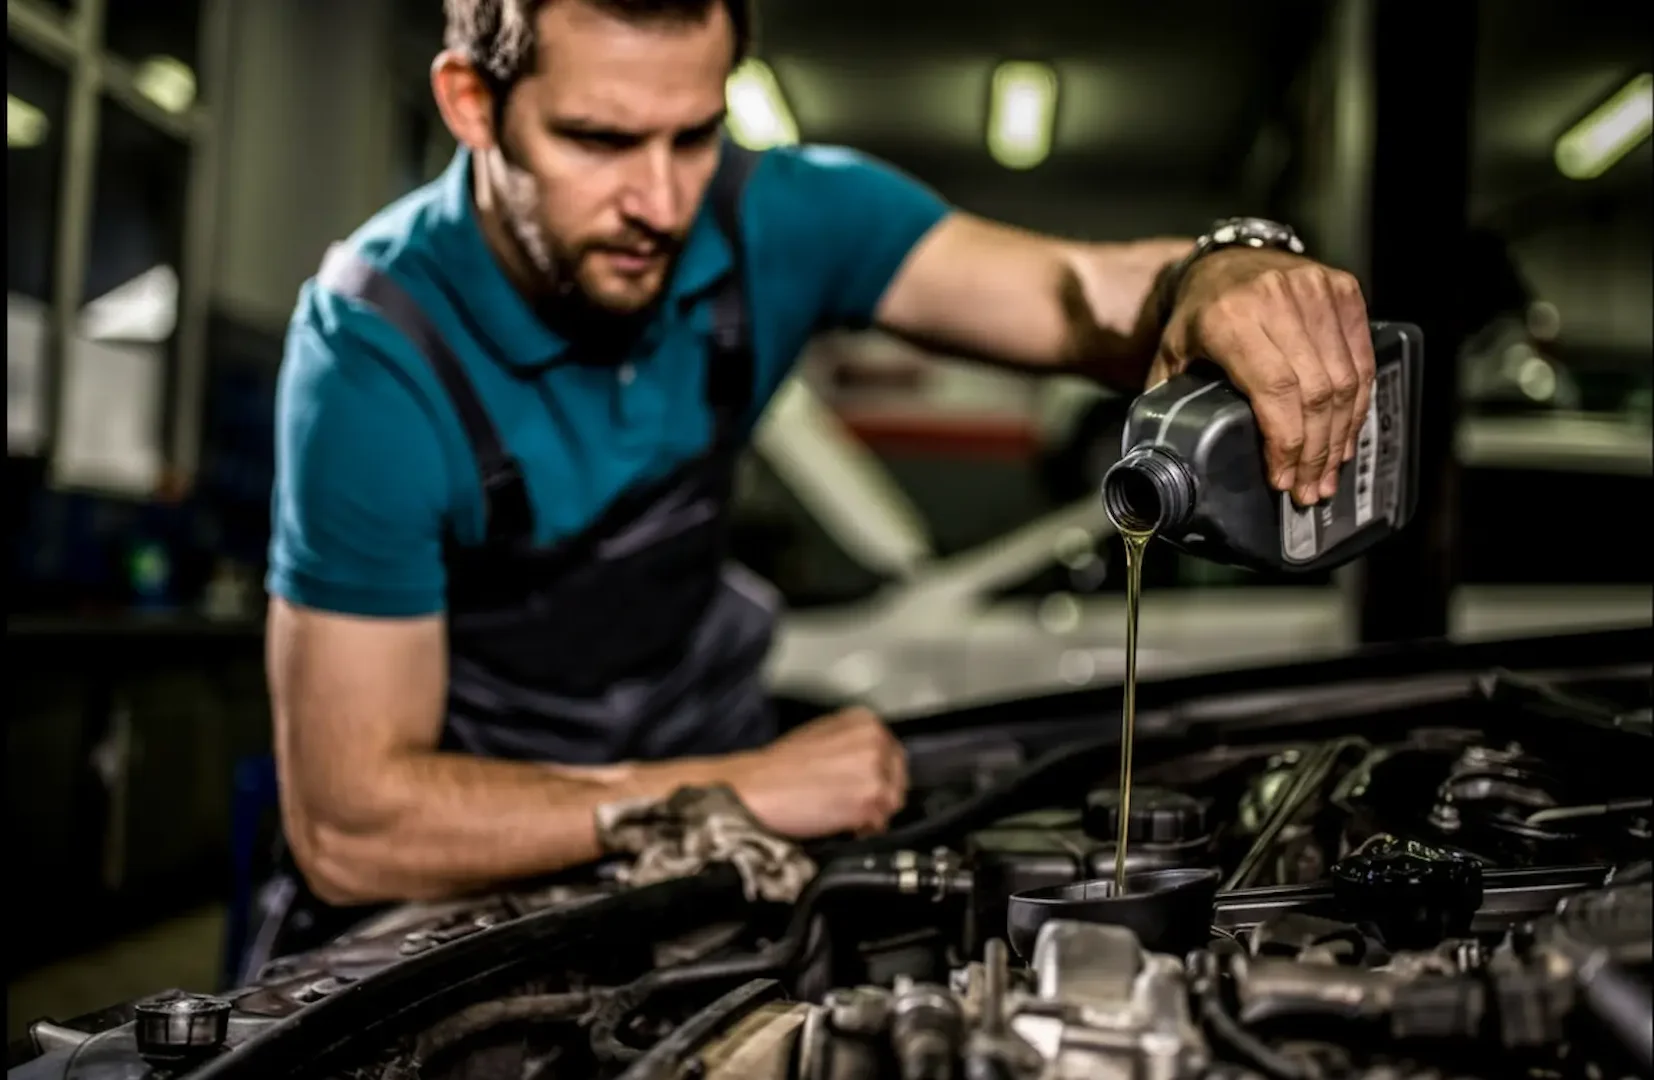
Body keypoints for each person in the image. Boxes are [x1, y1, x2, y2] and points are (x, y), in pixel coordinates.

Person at [251, 0, 1377, 969]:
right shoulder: (373, 353)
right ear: (471, 103)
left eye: (695, 133)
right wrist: (730, 791)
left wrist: (1218, 269)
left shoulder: (778, 215)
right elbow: (353, 825)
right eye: (599, 138)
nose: (660, 203)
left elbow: (1078, 293)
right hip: (472, 840)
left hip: (699, 737)